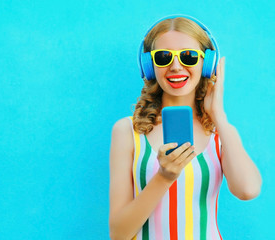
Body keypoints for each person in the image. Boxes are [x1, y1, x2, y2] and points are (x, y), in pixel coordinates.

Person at [109, 15, 262, 240]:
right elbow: (118, 234)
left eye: (189, 56)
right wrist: (164, 177)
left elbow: (248, 190)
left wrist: (219, 116)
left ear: (207, 64)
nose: (176, 66)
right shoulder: (127, 131)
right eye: (163, 57)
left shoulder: (221, 132)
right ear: (149, 66)